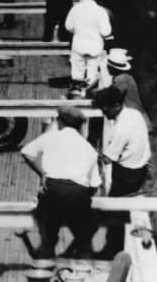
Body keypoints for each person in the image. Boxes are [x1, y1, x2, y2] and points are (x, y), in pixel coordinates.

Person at [17, 106, 102, 259]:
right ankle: (79, 260)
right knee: (84, 236)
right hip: (78, 193)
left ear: (60, 122)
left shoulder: (51, 137)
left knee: (48, 239)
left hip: (53, 191)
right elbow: (95, 185)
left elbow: (26, 152)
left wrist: (42, 173)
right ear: (80, 126)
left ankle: (45, 267)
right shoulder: (89, 149)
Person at [95, 87, 151, 197]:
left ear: (116, 106)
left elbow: (107, 159)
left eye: (105, 110)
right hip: (142, 167)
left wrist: (92, 154)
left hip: (128, 173)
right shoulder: (134, 113)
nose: (104, 114)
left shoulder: (121, 128)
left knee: (115, 205)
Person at [65, 0, 111, 96]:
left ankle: (76, 94)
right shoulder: (101, 11)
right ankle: (87, 95)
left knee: (77, 70)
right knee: (92, 72)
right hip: (95, 47)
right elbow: (106, 32)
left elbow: (68, 26)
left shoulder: (76, 8)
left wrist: (79, 31)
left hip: (79, 45)